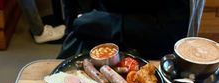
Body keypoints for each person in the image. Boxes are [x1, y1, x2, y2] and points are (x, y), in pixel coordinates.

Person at [58, 0, 205, 59]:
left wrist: (115, 24)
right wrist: (73, 20)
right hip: (93, 27)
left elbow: (171, 31)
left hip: (151, 39)